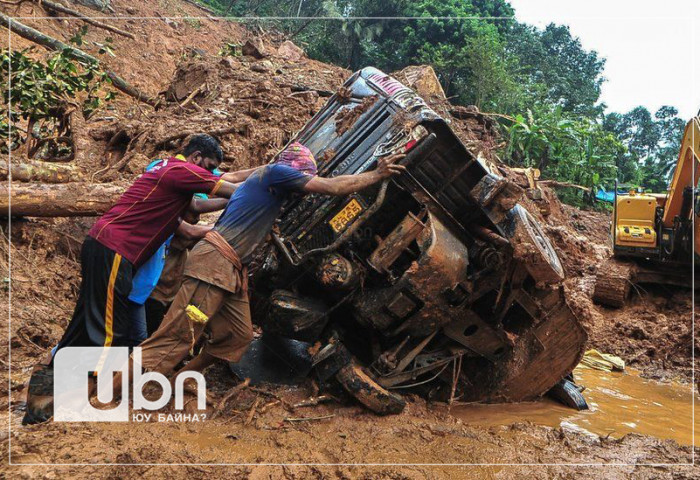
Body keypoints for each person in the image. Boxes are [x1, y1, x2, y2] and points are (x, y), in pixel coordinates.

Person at [22, 134, 257, 425]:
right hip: (116, 250)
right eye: (208, 167)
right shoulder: (180, 170)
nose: (209, 174)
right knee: (106, 331)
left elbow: (201, 204)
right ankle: (76, 404)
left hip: (105, 245)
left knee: (87, 322)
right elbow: (233, 188)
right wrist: (267, 188)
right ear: (196, 158)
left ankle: (41, 400)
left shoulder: (170, 174)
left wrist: (262, 173)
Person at [136, 142, 405, 385]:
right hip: (215, 264)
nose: (301, 188)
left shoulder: (266, 182)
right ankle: (113, 393)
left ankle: (178, 381)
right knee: (178, 335)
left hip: (230, 270)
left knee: (238, 336)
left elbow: (233, 181)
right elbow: (332, 187)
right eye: (301, 178)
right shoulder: (275, 173)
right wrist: (377, 174)